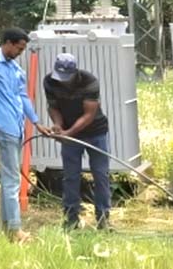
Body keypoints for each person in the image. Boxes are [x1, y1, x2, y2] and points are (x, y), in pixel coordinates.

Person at [0, 27, 51, 243]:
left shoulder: (16, 69)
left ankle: (8, 227)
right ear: (8, 43)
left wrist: (36, 122)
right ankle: (16, 230)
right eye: (19, 48)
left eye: (23, 49)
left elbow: (23, 97)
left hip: (16, 126)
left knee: (10, 177)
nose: (20, 52)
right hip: (2, 126)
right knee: (12, 179)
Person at [44, 53, 112, 230]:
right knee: (71, 177)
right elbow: (53, 107)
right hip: (69, 134)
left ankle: (103, 220)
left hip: (95, 132)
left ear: (75, 72)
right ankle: (71, 219)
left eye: (67, 78)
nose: (63, 81)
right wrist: (58, 125)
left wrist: (68, 133)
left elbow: (89, 114)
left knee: (100, 175)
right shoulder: (50, 81)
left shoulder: (89, 82)